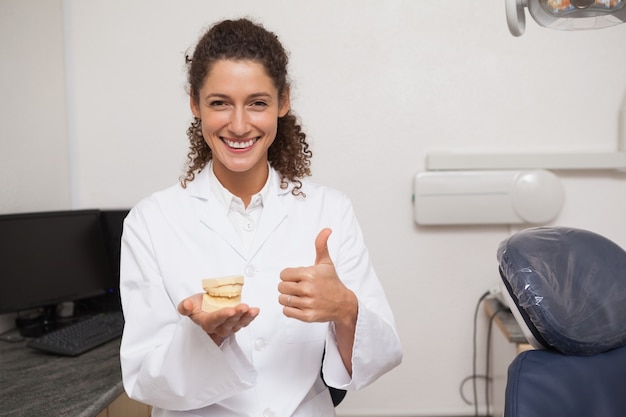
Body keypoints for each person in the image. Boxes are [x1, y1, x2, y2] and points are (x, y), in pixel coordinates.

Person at [119, 18, 402, 417]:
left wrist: (346, 309)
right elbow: (142, 378)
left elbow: (383, 354)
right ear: (194, 104)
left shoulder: (330, 210)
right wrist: (202, 336)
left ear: (282, 102)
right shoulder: (151, 221)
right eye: (219, 103)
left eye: (257, 102)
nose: (238, 125)